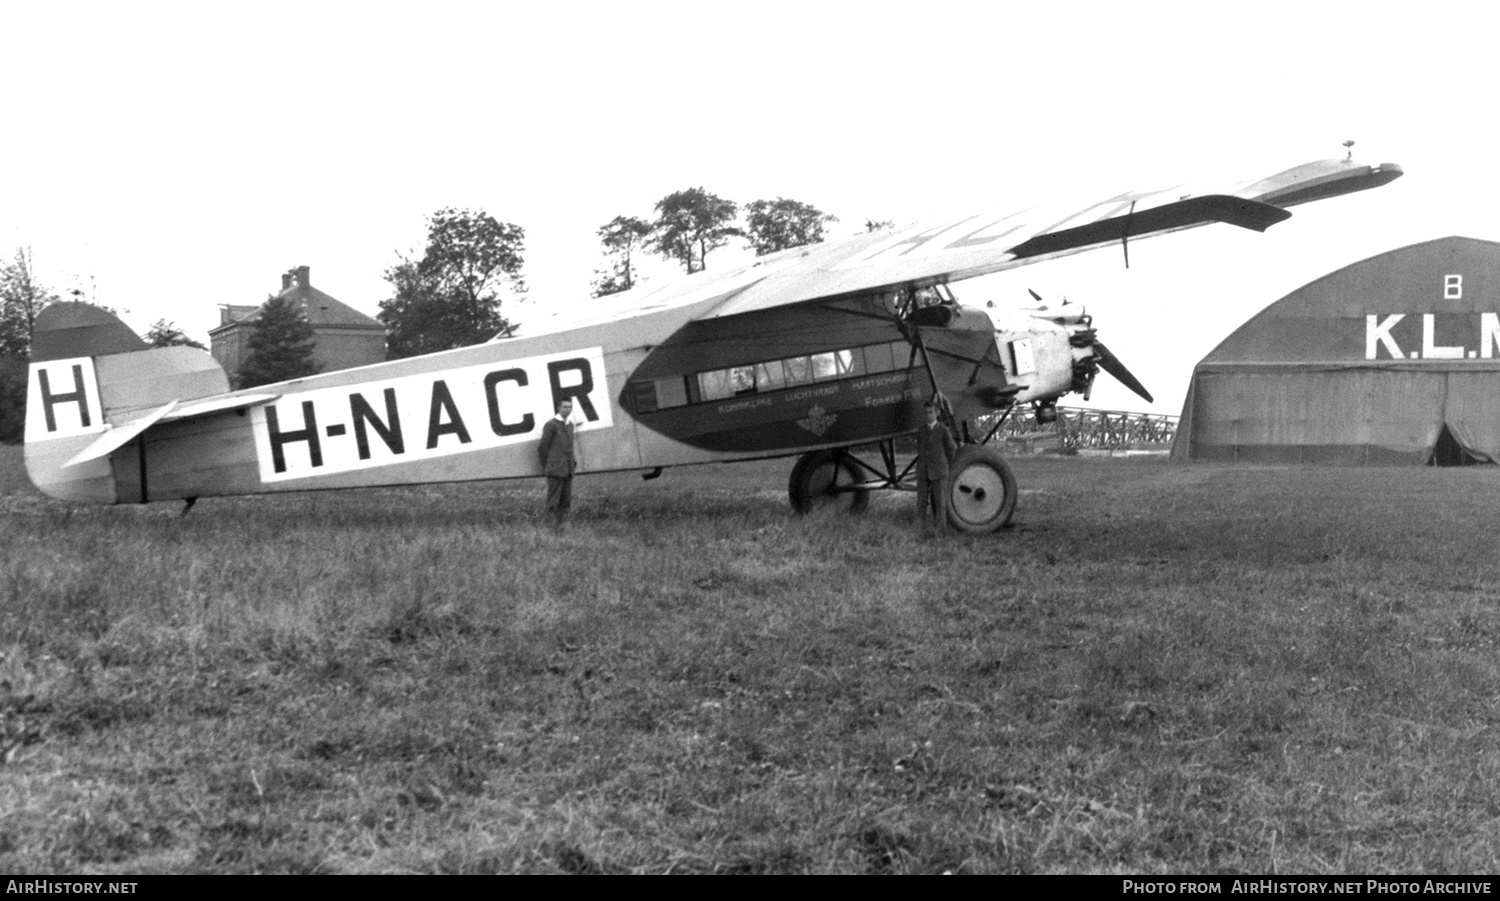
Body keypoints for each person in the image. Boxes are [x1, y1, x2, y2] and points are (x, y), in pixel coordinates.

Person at [915, 397, 956, 532]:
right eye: (926, 412)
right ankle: (920, 528)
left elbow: (951, 449)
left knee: (940, 503)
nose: (928, 415)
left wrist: (945, 464)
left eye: (931, 412)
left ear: (937, 413)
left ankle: (940, 530)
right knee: (921, 501)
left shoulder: (943, 430)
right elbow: (920, 448)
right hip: (923, 470)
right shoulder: (921, 430)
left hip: (939, 470)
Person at [537, 398, 577, 524]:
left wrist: (573, 462)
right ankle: (550, 527)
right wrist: (548, 465)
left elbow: (569, 446)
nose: (568, 409)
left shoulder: (570, 425)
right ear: (558, 408)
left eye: (570, 407)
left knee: (566, 501)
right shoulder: (551, 425)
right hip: (555, 469)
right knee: (553, 501)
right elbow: (543, 447)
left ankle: (562, 527)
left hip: (568, 469)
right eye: (565, 407)